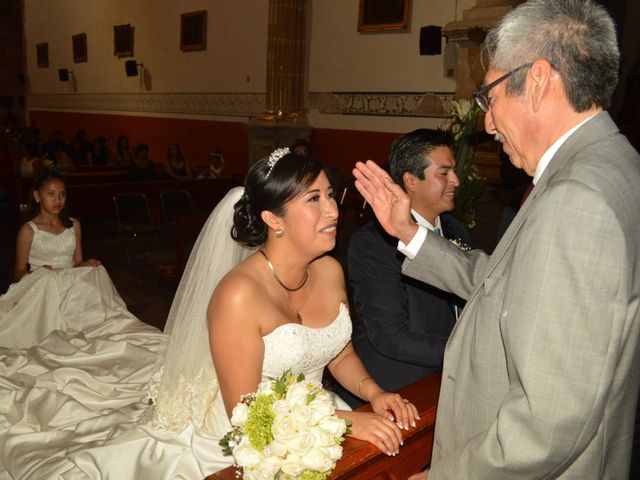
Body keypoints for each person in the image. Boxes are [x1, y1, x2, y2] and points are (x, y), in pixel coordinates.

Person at [0, 150, 419, 478]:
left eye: (331, 195)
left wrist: (373, 394)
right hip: (247, 427)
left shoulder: (329, 270)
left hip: (315, 412)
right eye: (314, 199)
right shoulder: (237, 294)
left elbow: (339, 353)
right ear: (274, 218)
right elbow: (245, 408)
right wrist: (346, 423)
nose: (333, 210)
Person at [353, 1, 640, 478]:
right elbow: (505, 281)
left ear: (540, 78)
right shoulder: (615, 165)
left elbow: (549, 422)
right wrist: (408, 232)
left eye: (490, 96)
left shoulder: (577, 200)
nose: (487, 123)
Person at [343, 129, 471, 409]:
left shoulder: (455, 229)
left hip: (452, 379)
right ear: (411, 181)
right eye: (444, 173)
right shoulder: (374, 243)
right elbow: (390, 336)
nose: (456, 181)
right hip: (402, 387)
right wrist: (467, 351)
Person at [0, 171, 138, 350]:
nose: (57, 200)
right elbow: (18, 272)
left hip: (69, 282)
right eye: (51, 194)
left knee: (98, 270)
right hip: (43, 286)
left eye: (62, 194)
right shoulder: (29, 230)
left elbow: (77, 262)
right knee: (48, 279)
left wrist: (88, 264)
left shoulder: (73, 225)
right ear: (37, 196)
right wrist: (38, 273)